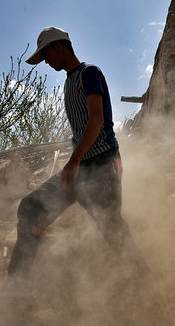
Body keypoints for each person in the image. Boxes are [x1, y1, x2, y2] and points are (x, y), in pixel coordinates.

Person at [8, 26, 140, 277]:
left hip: (102, 165)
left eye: (45, 54)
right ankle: (17, 285)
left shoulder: (90, 73)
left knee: (112, 227)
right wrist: (76, 161)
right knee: (31, 207)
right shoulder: (69, 82)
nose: (45, 61)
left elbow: (97, 119)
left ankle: (145, 284)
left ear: (58, 46)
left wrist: (74, 160)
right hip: (81, 167)